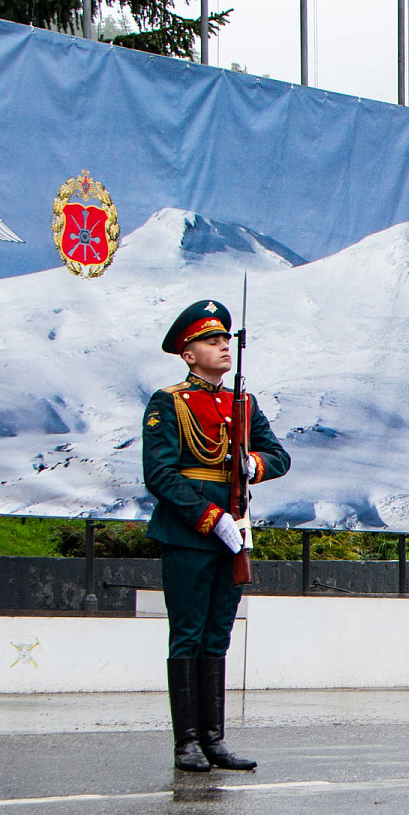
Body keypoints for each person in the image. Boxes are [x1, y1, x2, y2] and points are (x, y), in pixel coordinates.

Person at [145, 299, 290, 773]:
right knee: (186, 635)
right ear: (188, 354)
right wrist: (210, 517)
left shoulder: (242, 404)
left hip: (234, 534)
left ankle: (214, 739)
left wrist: (254, 465)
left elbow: (279, 454)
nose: (224, 347)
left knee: (218, 636)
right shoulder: (168, 402)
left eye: (226, 339)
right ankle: (186, 741)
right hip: (191, 534)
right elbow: (161, 475)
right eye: (212, 340)